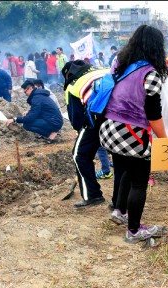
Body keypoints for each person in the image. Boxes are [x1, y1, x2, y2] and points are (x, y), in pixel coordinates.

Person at [98, 24, 168, 243]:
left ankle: (119, 211)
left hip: (110, 129)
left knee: (125, 170)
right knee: (139, 181)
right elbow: (153, 115)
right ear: (156, 48)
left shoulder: (121, 65)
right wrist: (165, 142)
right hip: (132, 134)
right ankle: (134, 231)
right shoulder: (150, 75)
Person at [61, 60, 112, 207]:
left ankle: (92, 195)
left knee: (80, 155)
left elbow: (76, 119)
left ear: (67, 74)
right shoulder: (104, 70)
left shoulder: (73, 86)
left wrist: (82, 137)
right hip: (124, 114)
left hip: (98, 116)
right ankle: (120, 201)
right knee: (120, 155)